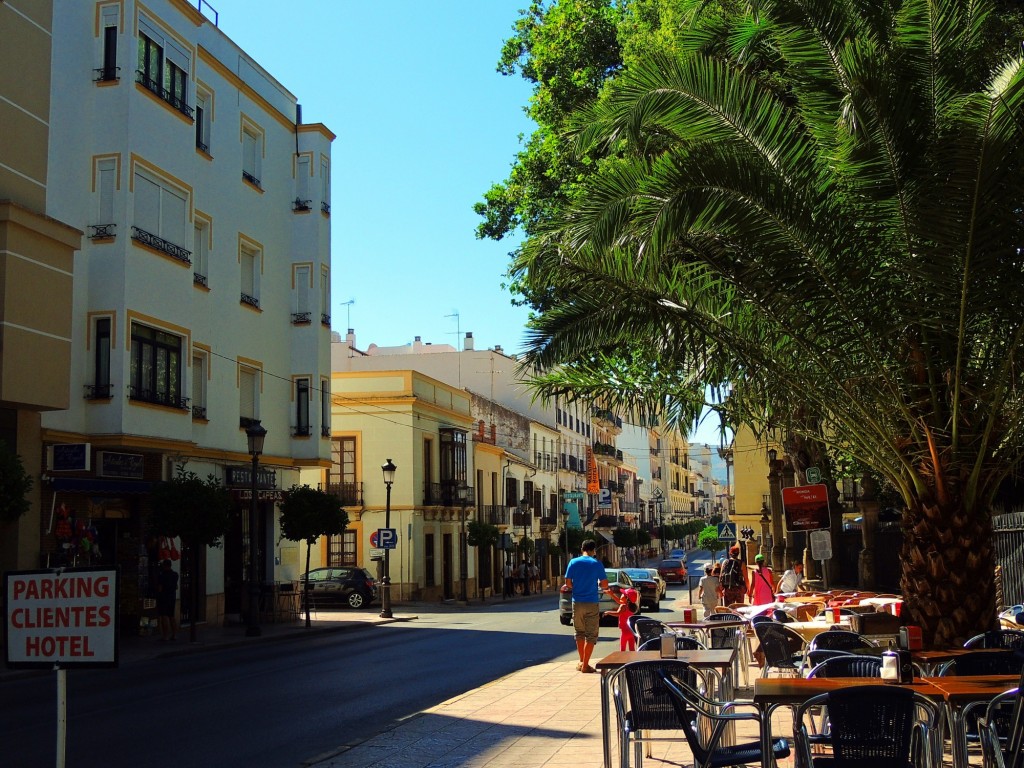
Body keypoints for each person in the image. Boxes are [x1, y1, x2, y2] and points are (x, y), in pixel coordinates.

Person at [564, 539, 611, 673]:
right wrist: (597, 586)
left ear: (581, 549)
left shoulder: (573, 562)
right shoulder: (596, 564)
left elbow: (567, 583)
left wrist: (577, 587)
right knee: (591, 635)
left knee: (579, 633)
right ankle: (585, 665)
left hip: (576, 602)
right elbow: (604, 584)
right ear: (593, 550)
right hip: (591, 602)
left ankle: (581, 662)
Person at [156, 558, 179, 641]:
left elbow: (160, 588)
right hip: (172, 597)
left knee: (164, 616)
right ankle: (174, 634)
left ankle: (165, 636)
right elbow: (176, 586)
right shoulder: (175, 575)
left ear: (164, 566)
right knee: (172, 616)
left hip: (163, 597)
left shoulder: (162, 576)